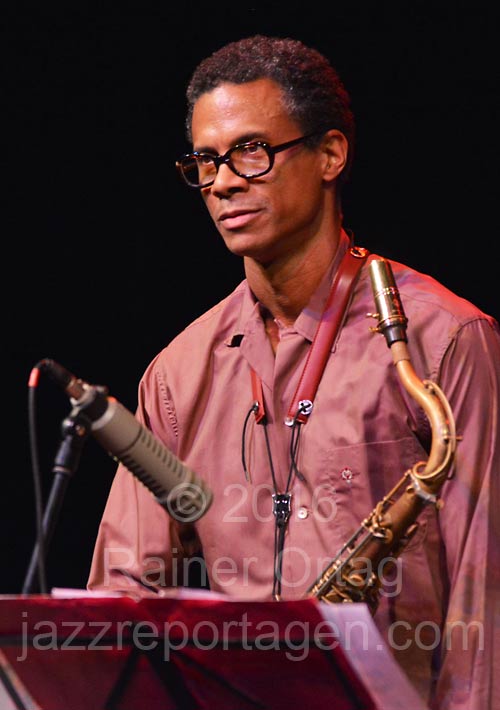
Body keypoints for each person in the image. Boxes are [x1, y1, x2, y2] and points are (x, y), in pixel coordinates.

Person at [88, 35, 500, 709]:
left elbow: (484, 606)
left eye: (251, 151)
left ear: (330, 154)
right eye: (205, 161)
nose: (221, 182)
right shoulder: (176, 373)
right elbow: (124, 595)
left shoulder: (446, 341)